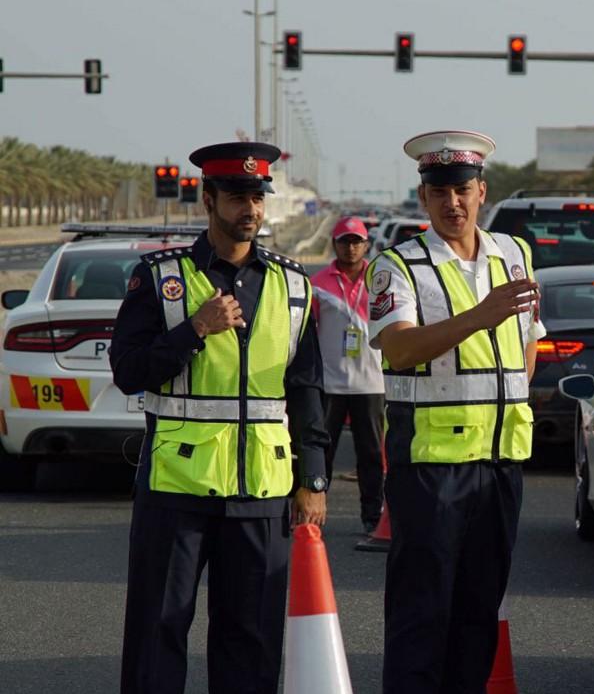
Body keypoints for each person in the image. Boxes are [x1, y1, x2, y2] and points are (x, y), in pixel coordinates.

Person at [111, 141, 329, 694]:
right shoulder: (160, 278)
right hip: (176, 487)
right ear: (207, 200)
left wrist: (315, 479)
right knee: (157, 632)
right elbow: (129, 371)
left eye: (257, 197)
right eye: (237, 197)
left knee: (252, 639)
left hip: (261, 490)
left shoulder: (293, 284)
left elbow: (305, 390)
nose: (250, 210)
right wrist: (194, 330)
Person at [368, 130, 545, 694]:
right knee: (422, 618)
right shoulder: (396, 266)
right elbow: (398, 349)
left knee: (477, 615)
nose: (452, 202)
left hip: (499, 466)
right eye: (439, 191)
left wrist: (510, 387)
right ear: (422, 198)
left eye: (462, 190)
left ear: (482, 192)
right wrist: (479, 315)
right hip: (430, 468)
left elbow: (530, 338)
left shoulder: (514, 254)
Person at [311, 216, 385, 533]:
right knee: (320, 452)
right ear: (335, 243)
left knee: (370, 455)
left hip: (371, 383)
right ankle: (314, 514)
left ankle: (372, 517)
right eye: (345, 241)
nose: (351, 247)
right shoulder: (317, 282)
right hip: (330, 382)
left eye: (357, 241)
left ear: (366, 245)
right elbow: (309, 332)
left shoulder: (382, 279)